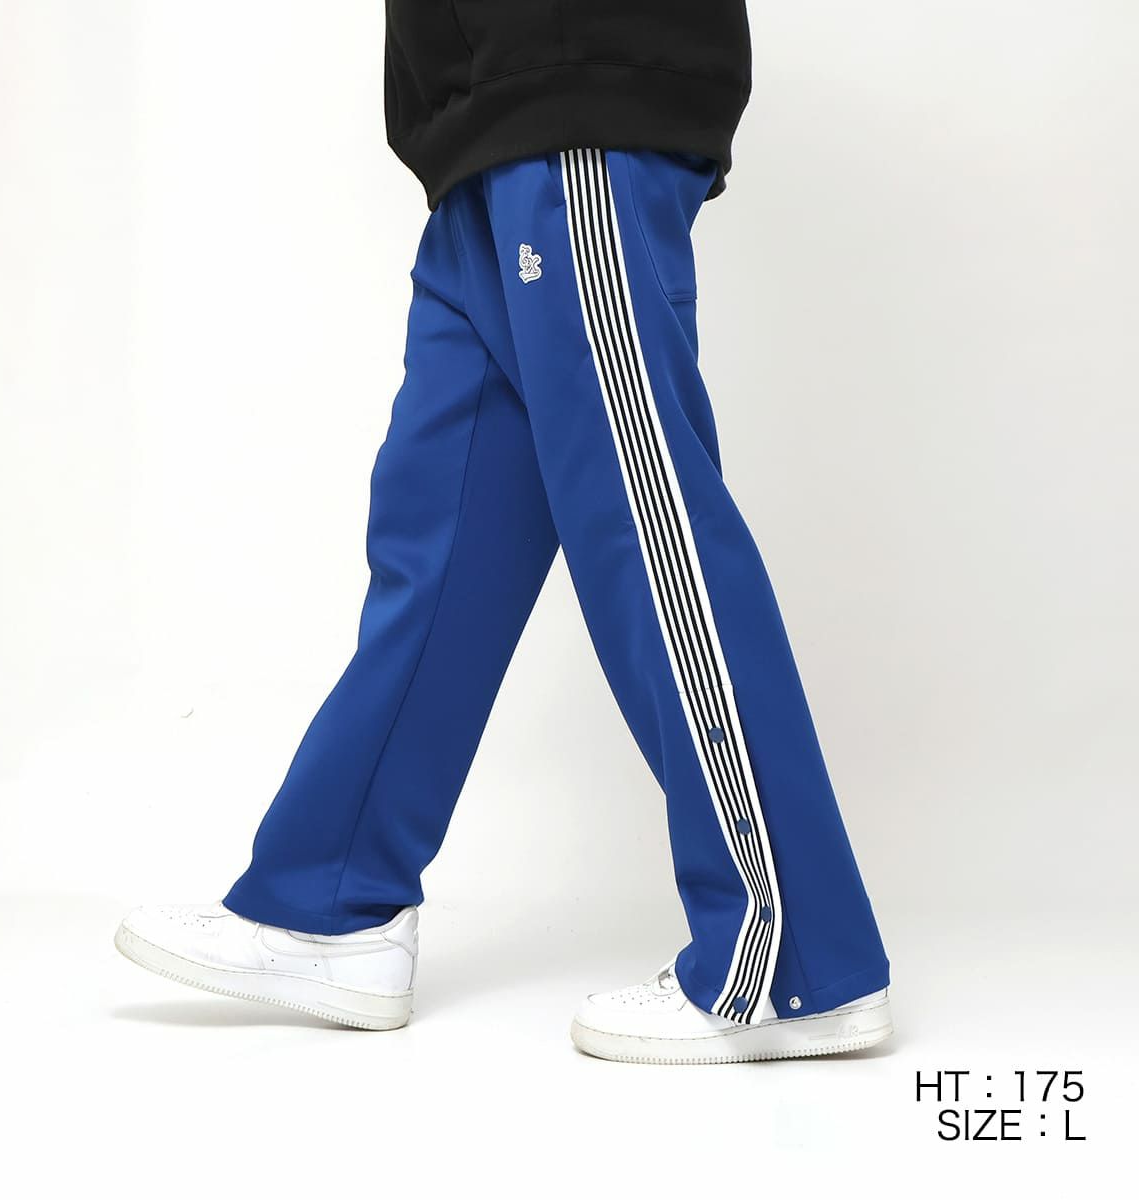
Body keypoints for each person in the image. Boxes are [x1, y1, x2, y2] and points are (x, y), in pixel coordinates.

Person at [116, 1, 892, 1064]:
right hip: (475, 120)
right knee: (438, 543)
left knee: (646, 527)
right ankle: (331, 906)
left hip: (577, 88)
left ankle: (797, 961)